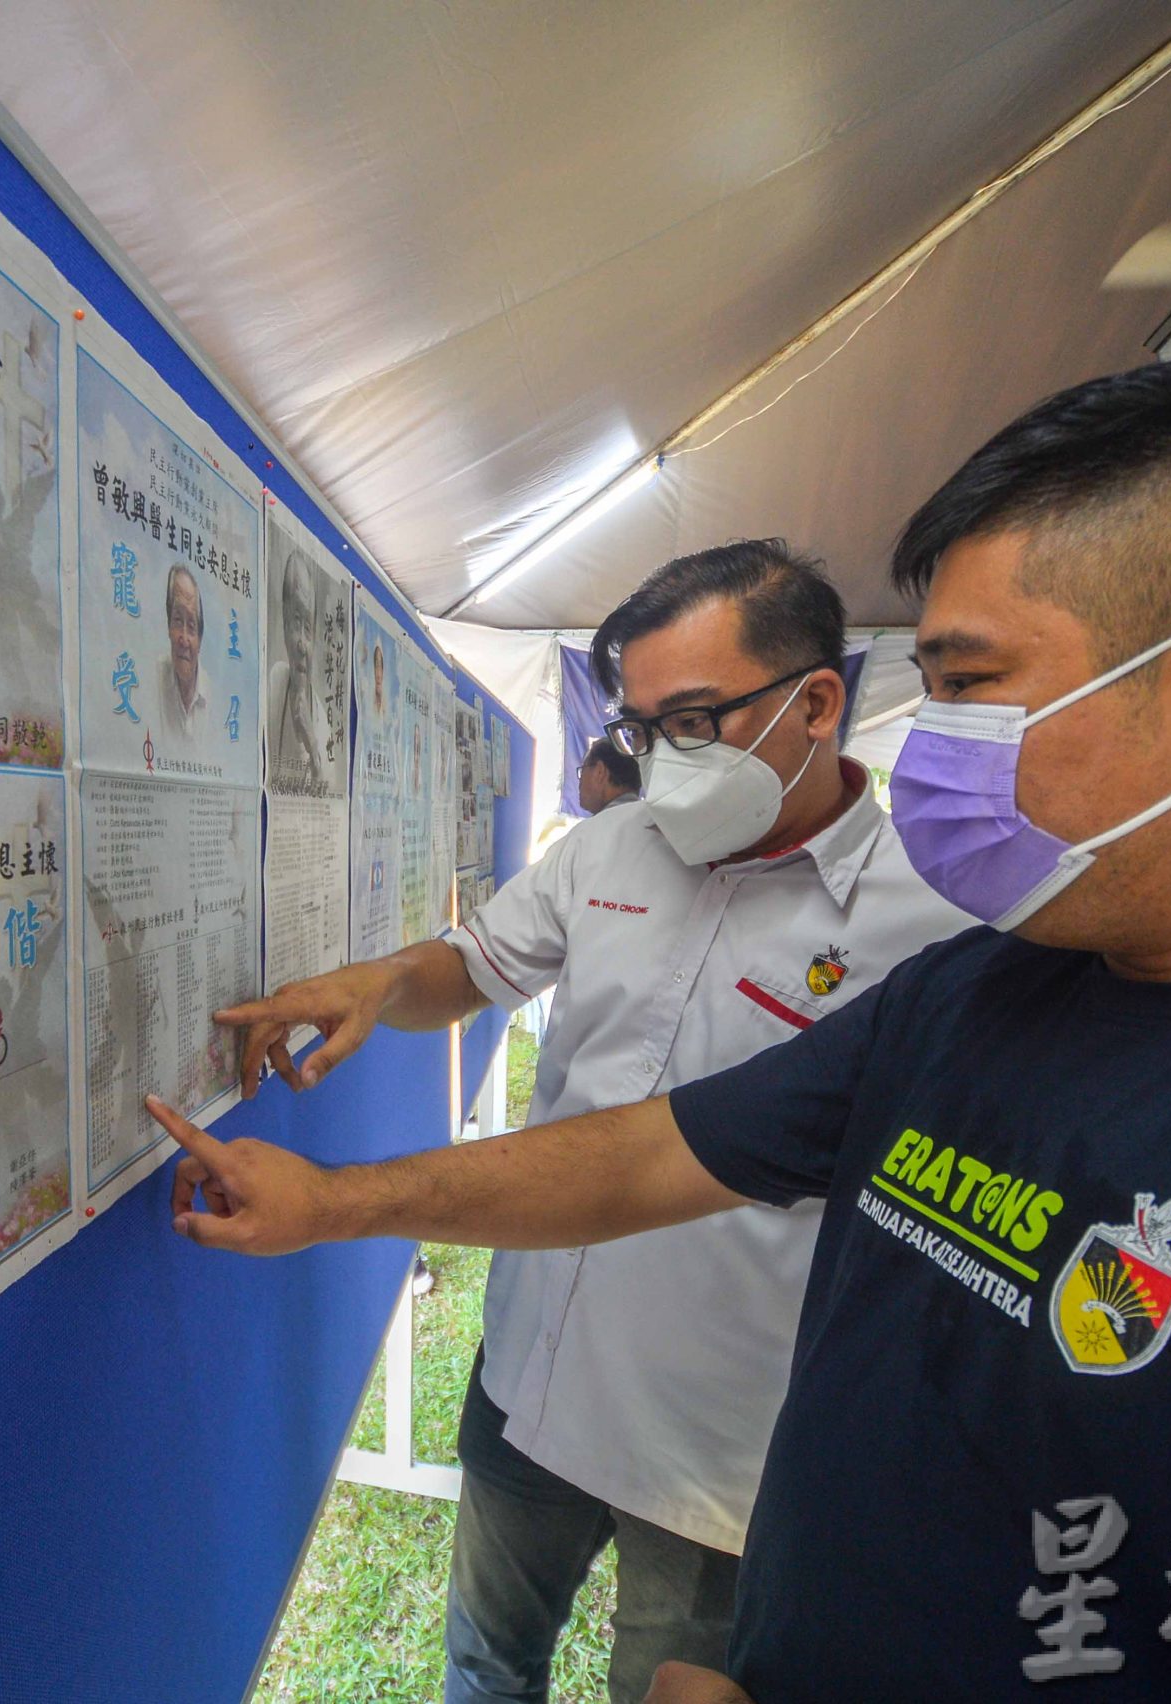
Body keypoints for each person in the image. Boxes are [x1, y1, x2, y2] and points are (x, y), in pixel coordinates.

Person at [153, 360, 1171, 1702]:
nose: (942, 748)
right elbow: (646, 1154)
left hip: (701, 1464)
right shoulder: (991, 986)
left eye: (974, 685)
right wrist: (337, 1198)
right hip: (549, 1396)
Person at [215, 541, 971, 1704]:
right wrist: (382, 981)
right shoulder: (614, 847)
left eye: (694, 722)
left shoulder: (927, 920)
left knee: (663, 1687)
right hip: (531, 1372)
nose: (662, 762)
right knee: (485, 1663)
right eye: (638, 729)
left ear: (817, 703)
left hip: (719, 1438)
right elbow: (476, 966)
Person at [269, 545, 339, 794]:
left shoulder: (323, 727)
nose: (301, 643)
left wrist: (313, 748)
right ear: (284, 623)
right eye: (295, 621)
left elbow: (328, 796)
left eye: (307, 628)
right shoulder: (274, 683)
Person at [156, 560, 210, 739]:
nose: (184, 639)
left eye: (192, 626)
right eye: (178, 621)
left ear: (200, 640)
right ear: (169, 626)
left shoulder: (212, 696)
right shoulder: (153, 681)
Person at [577, 738, 642, 813]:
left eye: (582, 771)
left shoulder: (601, 820)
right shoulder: (651, 816)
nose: (580, 781)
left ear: (599, 772)